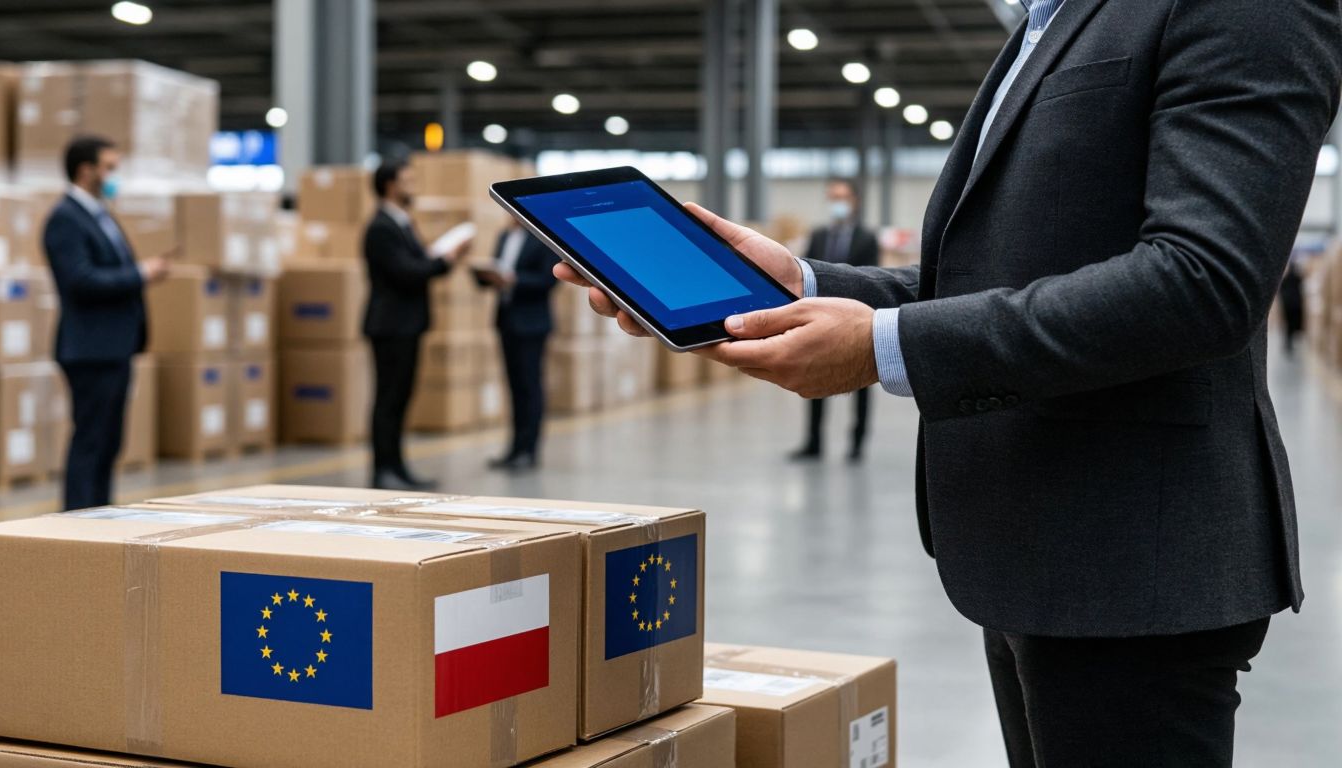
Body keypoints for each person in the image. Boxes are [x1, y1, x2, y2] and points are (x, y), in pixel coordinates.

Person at [556, 1, 1342, 764]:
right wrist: (800, 282)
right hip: (1036, 537)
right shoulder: (1053, 21)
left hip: (1135, 558)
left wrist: (885, 347)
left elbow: (1201, 283)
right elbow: (999, 275)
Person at [44, 135, 169, 511]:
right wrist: (140, 274)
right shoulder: (65, 219)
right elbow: (80, 280)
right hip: (90, 348)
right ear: (86, 171)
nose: (115, 176)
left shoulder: (100, 214)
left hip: (115, 345)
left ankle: (99, 517)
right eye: (109, 168)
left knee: (109, 442)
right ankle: (80, 522)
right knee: (92, 441)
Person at [362, 156, 464, 491]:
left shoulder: (402, 222)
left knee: (401, 399)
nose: (413, 187)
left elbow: (417, 263)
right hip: (391, 326)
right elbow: (406, 272)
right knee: (388, 400)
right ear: (390, 185)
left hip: (407, 325)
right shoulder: (380, 227)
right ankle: (383, 471)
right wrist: (444, 261)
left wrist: (441, 260)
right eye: (407, 180)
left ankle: (398, 468)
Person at [791, 179, 881, 462]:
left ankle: (856, 444)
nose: (838, 203)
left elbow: (871, 277)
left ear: (854, 201)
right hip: (819, 314)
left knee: (861, 382)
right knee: (815, 376)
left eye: (842, 197)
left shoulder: (867, 238)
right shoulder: (818, 236)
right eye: (833, 197)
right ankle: (814, 442)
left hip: (857, 317)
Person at [474, 219, 560, 472]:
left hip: (532, 323)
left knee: (530, 387)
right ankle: (513, 449)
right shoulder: (503, 236)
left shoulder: (543, 236)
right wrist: (485, 276)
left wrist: (513, 280)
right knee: (513, 386)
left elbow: (548, 280)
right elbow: (497, 271)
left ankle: (529, 451)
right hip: (507, 321)